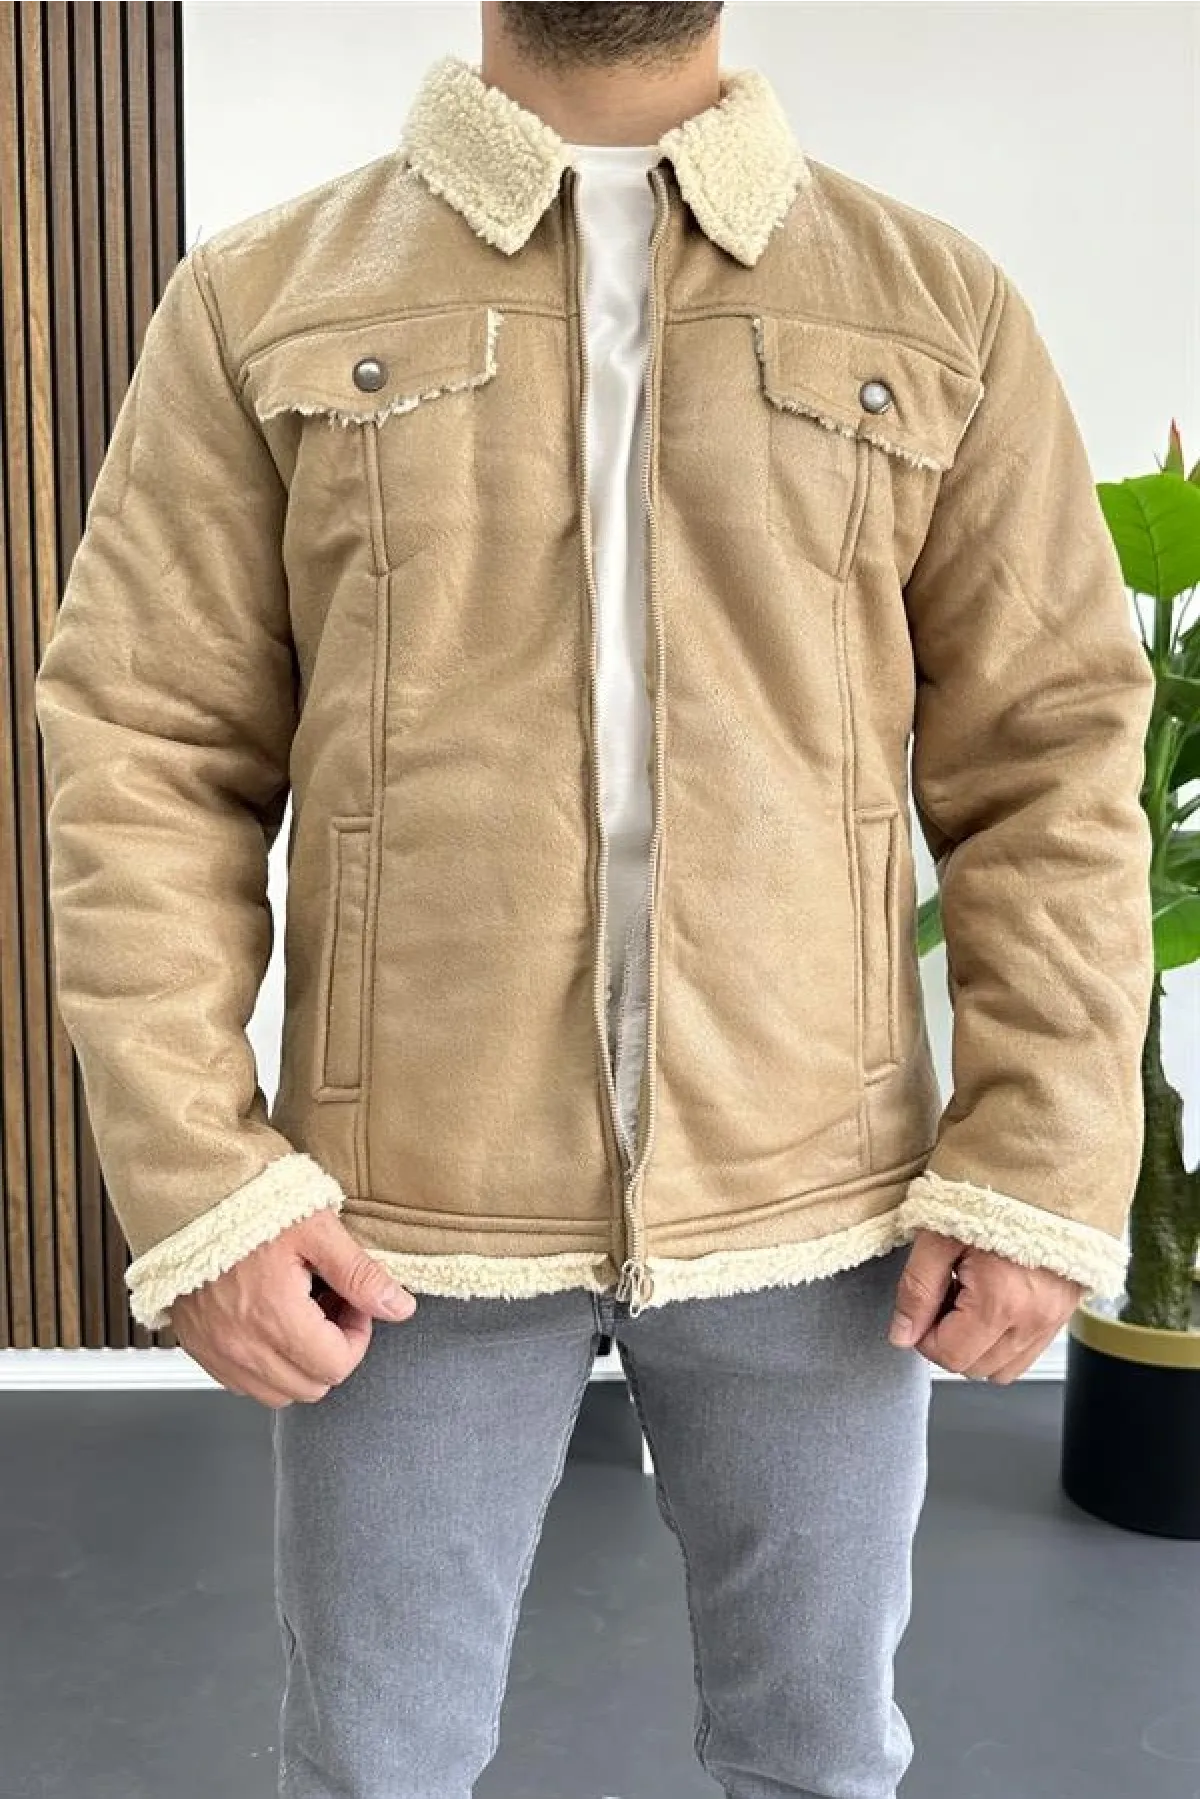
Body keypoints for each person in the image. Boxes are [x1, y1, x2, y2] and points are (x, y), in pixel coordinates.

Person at [33, 1, 1156, 1794]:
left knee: (818, 1760)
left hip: (820, 1206)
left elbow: (1052, 757)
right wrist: (204, 1184)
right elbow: (146, 749)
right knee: (372, 1768)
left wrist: (1039, 1159)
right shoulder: (262, 298)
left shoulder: (933, 306)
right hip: (400, 1220)